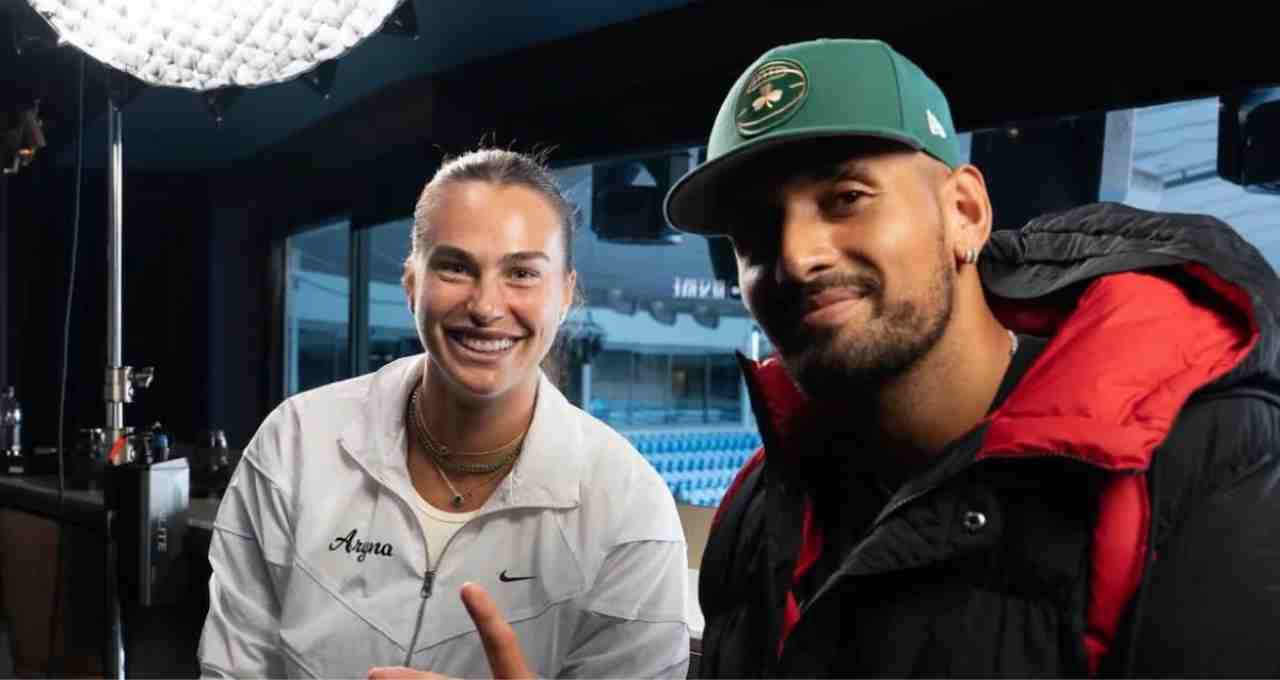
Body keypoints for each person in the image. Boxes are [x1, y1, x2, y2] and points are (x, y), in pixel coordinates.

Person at [657, 38, 1280, 677]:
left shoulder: (1197, 465)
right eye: (756, 230)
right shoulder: (758, 503)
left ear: (965, 213)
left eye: (845, 198)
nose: (795, 256)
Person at [197, 148, 691, 679]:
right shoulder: (296, 443)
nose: (486, 306)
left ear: (566, 293)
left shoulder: (630, 509)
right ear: (412, 281)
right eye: (455, 267)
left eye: (522, 273)